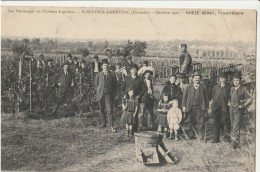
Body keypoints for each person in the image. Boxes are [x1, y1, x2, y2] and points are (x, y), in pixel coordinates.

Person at [182, 71, 209, 142]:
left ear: (200, 79)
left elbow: (206, 98)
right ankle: (191, 135)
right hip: (191, 107)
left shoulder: (203, 88)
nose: (197, 79)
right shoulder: (188, 87)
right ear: (193, 79)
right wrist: (184, 106)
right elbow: (184, 97)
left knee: (201, 122)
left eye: (198, 78)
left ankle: (201, 137)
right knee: (191, 121)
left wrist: (206, 107)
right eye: (195, 78)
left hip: (200, 107)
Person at [229, 71, 251, 149]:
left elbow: (250, 99)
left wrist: (243, 105)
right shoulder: (232, 89)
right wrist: (229, 103)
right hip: (231, 109)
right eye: (234, 80)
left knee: (236, 126)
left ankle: (234, 144)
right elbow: (230, 98)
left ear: (240, 81)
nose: (236, 82)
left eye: (237, 80)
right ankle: (236, 143)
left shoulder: (243, 89)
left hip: (239, 109)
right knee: (232, 125)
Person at [95, 59, 117, 132]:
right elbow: (96, 85)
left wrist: (112, 93)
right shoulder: (98, 74)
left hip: (108, 95)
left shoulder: (112, 74)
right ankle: (103, 123)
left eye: (107, 65)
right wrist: (98, 92)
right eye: (104, 65)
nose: (106, 67)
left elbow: (115, 85)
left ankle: (111, 126)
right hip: (100, 94)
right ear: (102, 66)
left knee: (109, 110)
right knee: (102, 109)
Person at [210, 72, 231, 143]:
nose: (223, 80)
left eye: (225, 78)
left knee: (226, 122)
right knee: (216, 122)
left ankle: (226, 138)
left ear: (226, 79)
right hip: (216, 107)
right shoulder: (215, 87)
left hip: (225, 107)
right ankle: (216, 138)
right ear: (219, 79)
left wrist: (229, 103)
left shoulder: (229, 87)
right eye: (222, 78)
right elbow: (213, 96)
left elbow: (230, 97)